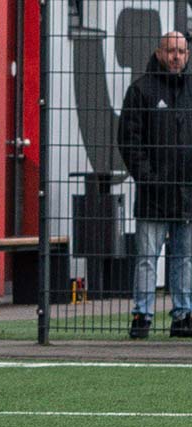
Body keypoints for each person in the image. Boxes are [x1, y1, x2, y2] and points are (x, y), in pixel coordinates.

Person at [118, 30, 192, 339]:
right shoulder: (141, 90)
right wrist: (149, 178)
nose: (176, 56)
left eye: (182, 51)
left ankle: (183, 315)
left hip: (187, 192)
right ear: (159, 53)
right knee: (147, 258)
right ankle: (142, 315)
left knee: (184, 258)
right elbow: (128, 140)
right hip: (153, 193)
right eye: (171, 50)